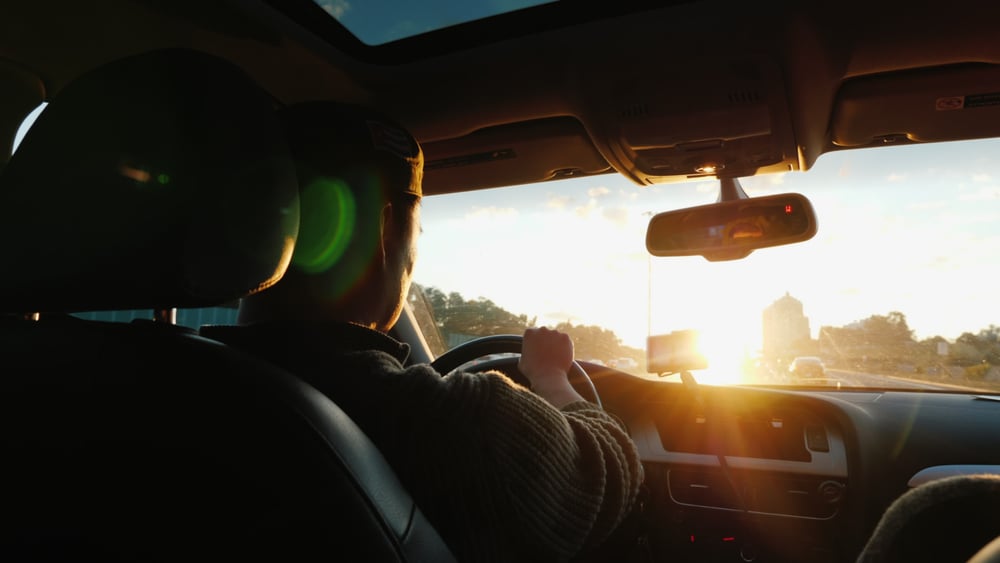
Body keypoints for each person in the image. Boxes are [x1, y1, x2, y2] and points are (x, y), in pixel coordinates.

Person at [201, 101, 643, 562]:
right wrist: (550, 374)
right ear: (385, 228)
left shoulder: (163, 381)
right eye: (418, 234)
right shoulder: (436, 420)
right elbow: (607, 472)